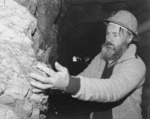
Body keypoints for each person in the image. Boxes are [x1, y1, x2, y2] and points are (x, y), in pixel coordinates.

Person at [30, 10, 146, 119]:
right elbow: (84, 77)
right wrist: (57, 82)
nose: (109, 39)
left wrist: (68, 84)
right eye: (108, 34)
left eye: (115, 35)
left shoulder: (136, 65)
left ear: (129, 37)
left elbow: (113, 90)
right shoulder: (101, 58)